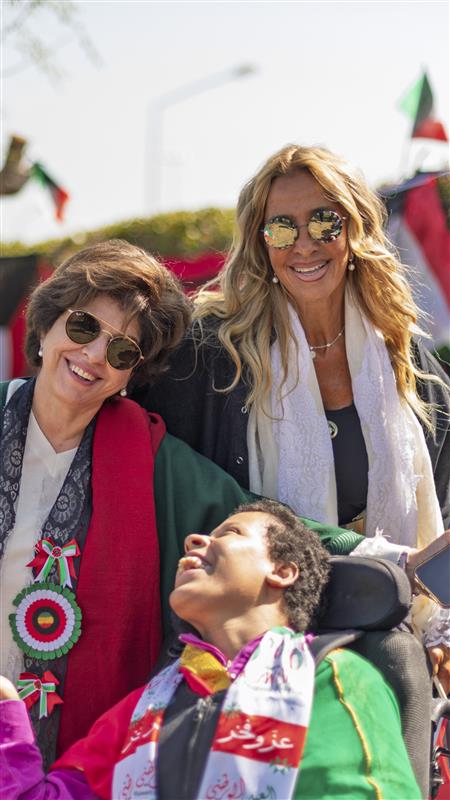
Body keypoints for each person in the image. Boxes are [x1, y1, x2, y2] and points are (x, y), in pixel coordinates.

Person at [0, 239, 364, 766]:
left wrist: (389, 556)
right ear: (45, 327)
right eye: (83, 327)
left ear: (131, 374)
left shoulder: (150, 458)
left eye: (122, 352)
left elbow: (253, 518)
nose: (95, 355)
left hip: (68, 761)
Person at [133, 144, 450, 689]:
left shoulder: (406, 358)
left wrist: (441, 622)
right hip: (252, 644)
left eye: (324, 222)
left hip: (394, 628)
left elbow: (440, 503)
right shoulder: (209, 356)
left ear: (355, 229)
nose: (303, 244)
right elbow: (167, 484)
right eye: (281, 228)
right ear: (261, 242)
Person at [0, 499, 421, 800]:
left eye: (230, 532)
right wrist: (6, 712)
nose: (193, 540)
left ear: (282, 570)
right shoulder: (137, 712)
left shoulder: (331, 679)